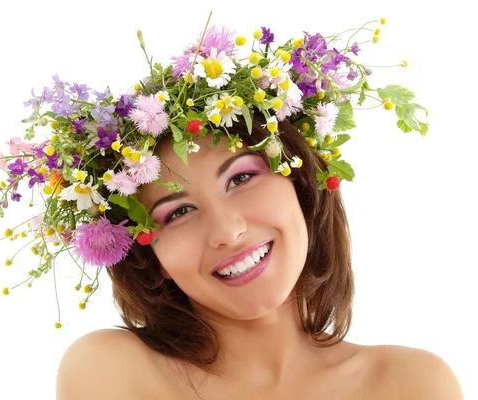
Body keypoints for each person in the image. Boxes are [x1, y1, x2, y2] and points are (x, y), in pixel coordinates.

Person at [53, 20, 463, 399]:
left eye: (241, 179)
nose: (228, 231)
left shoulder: (411, 383)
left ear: (301, 188)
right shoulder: (112, 368)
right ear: (151, 255)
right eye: (178, 212)